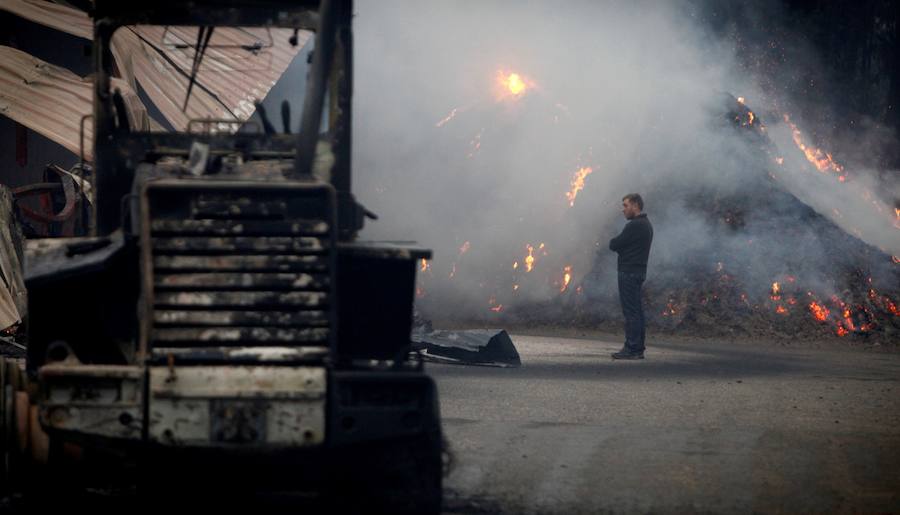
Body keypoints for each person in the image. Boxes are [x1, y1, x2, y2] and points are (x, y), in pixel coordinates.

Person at [608, 193, 653, 359]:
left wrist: (619, 246)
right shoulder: (646, 224)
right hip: (638, 271)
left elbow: (615, 244)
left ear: (635, 206)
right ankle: (638, 348)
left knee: (631, 312)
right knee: (637, 311)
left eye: (626, 205)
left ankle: (632, 348)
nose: (623, 209)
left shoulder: (635, 225)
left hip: (629, 272)